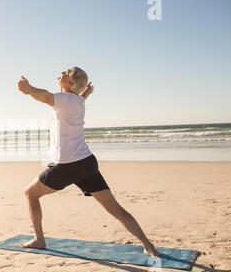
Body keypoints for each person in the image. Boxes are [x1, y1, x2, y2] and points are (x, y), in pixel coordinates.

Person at [17, 66, 159, 256]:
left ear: (70, 83)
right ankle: (148, 245)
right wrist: (85, 93)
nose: (62, 71)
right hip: (86, 163)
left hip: (66, 165)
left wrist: (30, 90)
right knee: (115, 209)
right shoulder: (78, 101)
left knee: (30, 194)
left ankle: (39, 240)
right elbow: (75, 97)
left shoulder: (64, 99)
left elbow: (44, 96)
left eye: (67, 72)